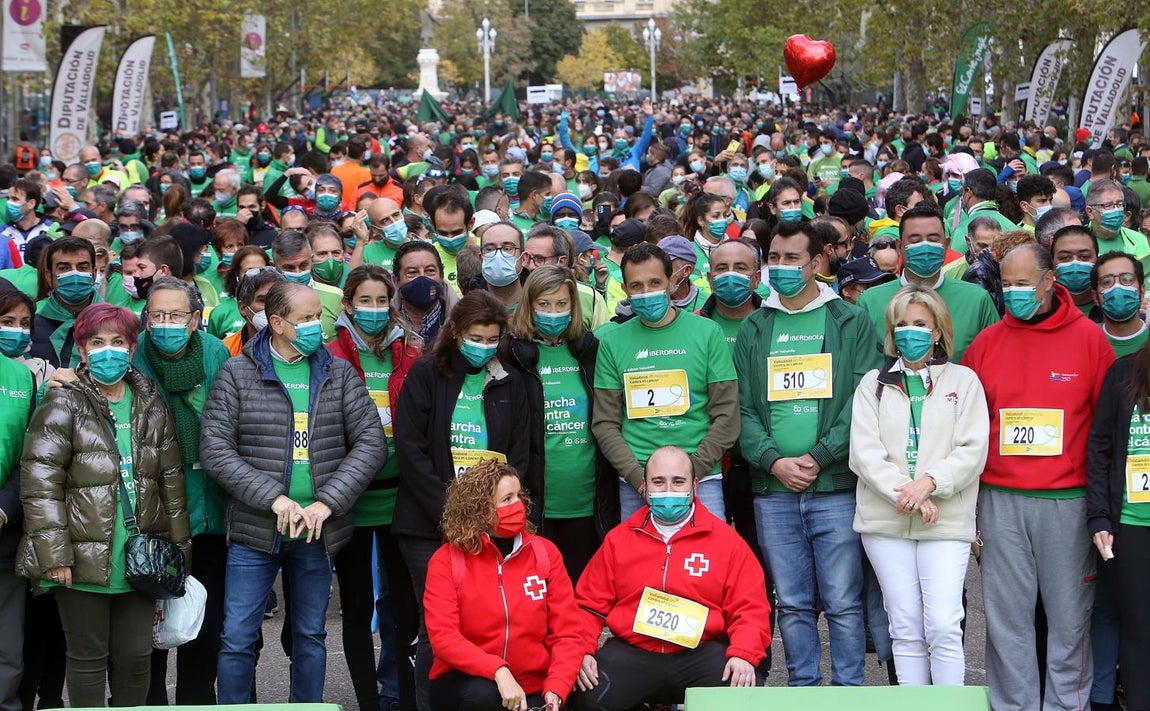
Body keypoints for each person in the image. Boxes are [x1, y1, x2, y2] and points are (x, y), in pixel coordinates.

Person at [200, 280, 385, 704]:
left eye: (317, 316)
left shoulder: (338, 372)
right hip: (255, 530)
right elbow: (215, 449)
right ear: (278, 323)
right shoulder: (238, 373)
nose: (316, 326)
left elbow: (371, 442)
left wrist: (328, 502)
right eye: (305, 319)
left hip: (315, 532)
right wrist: (273, 498)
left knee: (310, 636)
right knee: (237, 638)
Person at [962, 243, 1115, 711]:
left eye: (1023, 283)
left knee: (1070, 621)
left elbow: (1106, 431)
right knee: (1007, 622)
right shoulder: (987, 343)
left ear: (1051, 281)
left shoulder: (1090, 339)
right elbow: (966, 427)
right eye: (1006, 285)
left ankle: (1068, 705)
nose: (1014, 293)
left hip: (1067, 503)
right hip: (1000, 499)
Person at [18, 303, 190, 708]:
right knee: (87, 659)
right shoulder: (62, 403)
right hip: (78, 557)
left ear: (132, 349)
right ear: (81, 350)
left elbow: (171, 484)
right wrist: (54, 555)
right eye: (97, 342)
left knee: (135, 659)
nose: (108, 351)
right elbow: (41, 483)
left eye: (118, 342)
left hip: (141, 556)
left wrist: (178, 556)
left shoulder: (149, 401)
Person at [734, 219, 881, 686]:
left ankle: (848, 691)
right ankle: (802, 691)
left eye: (792, 258)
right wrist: (773, 460)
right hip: (773, 490)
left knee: (842, 601)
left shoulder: (850, 319)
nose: (781, 267)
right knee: (792, 603)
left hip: (835, 487)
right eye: (773, 259)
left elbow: (864, 395)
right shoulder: (756, 325)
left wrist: (818, 456)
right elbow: (742, 407)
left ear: (817, 262)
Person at [392, 289, 539, 711]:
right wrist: (454, 512)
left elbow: (520, 454)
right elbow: (411, 448)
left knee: (485, 622)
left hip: (491, 525)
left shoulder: (509, 379)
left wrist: (493, 514)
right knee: (435, 627)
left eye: (493, 339)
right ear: (455, 331)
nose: (484, 346)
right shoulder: (425, 374)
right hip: (427, 523)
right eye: (476, 336)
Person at [850, 286, 989, 685]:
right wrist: (908, 493)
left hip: (944, 520)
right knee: (904, 627)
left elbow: (972, 449)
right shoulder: (873, 384)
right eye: (902, 324)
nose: (910, 331)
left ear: (938, 331)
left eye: (920, 324)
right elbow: (864, 452)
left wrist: (929, 484)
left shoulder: (964, 381)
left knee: (944, 624)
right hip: (886, 521)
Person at [571, 446, 771, 711]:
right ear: (644, 486)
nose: (668, 490)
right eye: (658, 482)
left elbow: (751, 608)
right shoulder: (618, 540)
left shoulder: (727, 542)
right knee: (581, 691)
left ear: (694, 486)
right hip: (635, 651)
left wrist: (744, 654)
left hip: (701, 652)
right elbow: (586, 605)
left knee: (746, 688)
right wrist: (581, 651)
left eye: (678, 482)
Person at [326, 264, 423, 711]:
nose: (374, 310)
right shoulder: (329, 355)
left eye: (382, 301)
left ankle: (400, 695)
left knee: (402, 610)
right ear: (348, 305)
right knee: (357, 605)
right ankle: (367, 700)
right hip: (349, 500)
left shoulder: (410, 354)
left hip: (401, 498)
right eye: (364, 301)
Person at [131, 277, 232, 705]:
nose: (166, 324)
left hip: (207, 508)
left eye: (176, 315)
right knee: (148, 628)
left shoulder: (216, 354)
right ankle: (151, 701)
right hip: (150, 513)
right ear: (146, 319)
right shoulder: (132, 354)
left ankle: (196, 700)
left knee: (203, 627)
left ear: (195, 320)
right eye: (158, 315)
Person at [592, 243, 739, 521]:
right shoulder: (612, 342)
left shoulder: (708, 333)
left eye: (655, 282)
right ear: (624, 290)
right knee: (641, 563)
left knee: (708, 561)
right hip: (637, 483)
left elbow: (727, 416)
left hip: (702, 479)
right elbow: (605, 423)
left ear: (672, 281)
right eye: (637, 286)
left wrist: (691, 472)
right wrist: (640, 479)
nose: (647, 293)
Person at [424, 461, 583, 711]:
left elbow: (568, 632)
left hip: (535, 687)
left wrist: (557, 687)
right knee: (481, 696)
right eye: (507, 499)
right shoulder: (446, 560)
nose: (518, 505)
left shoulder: (545, 553)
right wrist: (497, 670)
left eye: (519, 495)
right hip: (469, 682)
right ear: (478, 508)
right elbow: (444, 638)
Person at [507, 266, 603, 581]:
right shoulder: (513, 356)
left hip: (587, 498)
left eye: (562, 304)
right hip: (536, 499)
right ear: (529, 306)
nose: (553, 312)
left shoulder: (589, 352)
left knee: (580, 600)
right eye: (544, 304)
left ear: (574, 306)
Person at [1086, 334, 1150, 711]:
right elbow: (1100, 446)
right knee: (1139, 627)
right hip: (1132, 523)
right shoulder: (1124, 374)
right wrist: (1099, 516)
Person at [857, 205, 999, 362]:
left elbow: (995, 362)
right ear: (899, 246)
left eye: (933, 239)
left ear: (946, 245)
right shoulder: (870, 301)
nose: (925, 247)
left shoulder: (977, 300)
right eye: (915, 240)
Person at [0, 288, 37, 711]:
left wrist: (4, 507)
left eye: (23, 323)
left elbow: (29, 452)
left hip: (4, 535)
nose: (15, 331)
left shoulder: (22, 378)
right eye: (6, 321)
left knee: (7, 651)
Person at [1093, 252, 1147, 356]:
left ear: (1142, 291)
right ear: (1095, 297)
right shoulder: (1083, 338)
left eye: (1127, 279)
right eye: (1107, 282)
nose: (1117, 287)